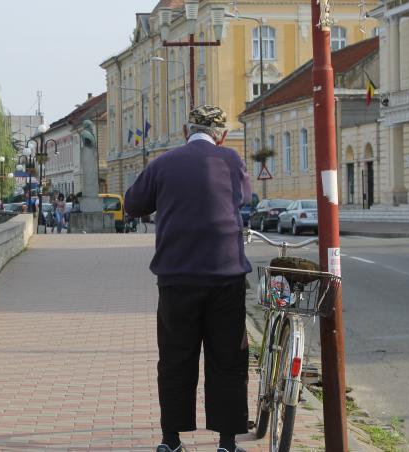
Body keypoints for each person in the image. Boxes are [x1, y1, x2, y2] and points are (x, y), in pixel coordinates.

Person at [125, 105, 252, 452]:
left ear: (185, 131)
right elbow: (245, 198)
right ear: (222, 135)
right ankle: (227, 443)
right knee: (228, 358)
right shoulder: (231, 160)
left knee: (175, 358)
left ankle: (171, 441)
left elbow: (133, 205)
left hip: (177, 277)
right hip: (225, 275)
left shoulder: (163, 164)